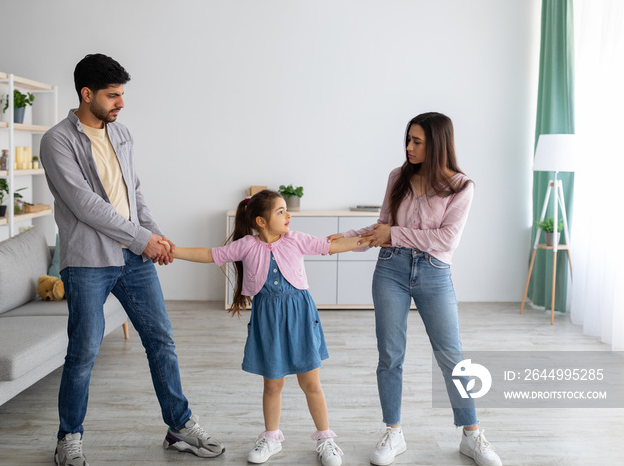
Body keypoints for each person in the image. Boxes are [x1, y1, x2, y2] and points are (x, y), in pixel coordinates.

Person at [40, 53, 224, 466]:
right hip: (88, 260)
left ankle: (179, 426)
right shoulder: (57, 141)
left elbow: (133, 193)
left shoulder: (121, 134)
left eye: (122, 94)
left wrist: (153, 236)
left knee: (161, 339)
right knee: (84, 350)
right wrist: (144, 240)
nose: (121, 104)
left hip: (134, 255)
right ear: (86, 95)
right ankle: (68, 437)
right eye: (112, 96)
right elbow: (87, 206)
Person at [330, 112, 502, 466]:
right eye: (408, 139)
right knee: (390, 356)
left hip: (434, 274)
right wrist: (344, 239)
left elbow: (445, 239)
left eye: (417, 141)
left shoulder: (461, 186)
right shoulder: (398, 177)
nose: (408, 147)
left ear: (437, 144)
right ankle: (393, 431)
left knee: (452, 357)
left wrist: (392, 234)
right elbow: (382, 226)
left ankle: (472, 434)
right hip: (390, 269)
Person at [161, 189, 369, 466]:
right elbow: (211, 254)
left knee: (312, 384)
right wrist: (173, 251)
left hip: (300, 318)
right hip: (268, 320)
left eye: (286, 210)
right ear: (261, 221)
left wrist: (369, 239)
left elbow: (330, 246)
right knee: (272, 384)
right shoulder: (246, 245)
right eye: (281, 211)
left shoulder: (295, 240)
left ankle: (325, 439)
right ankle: (271, 437)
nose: (288, 216)